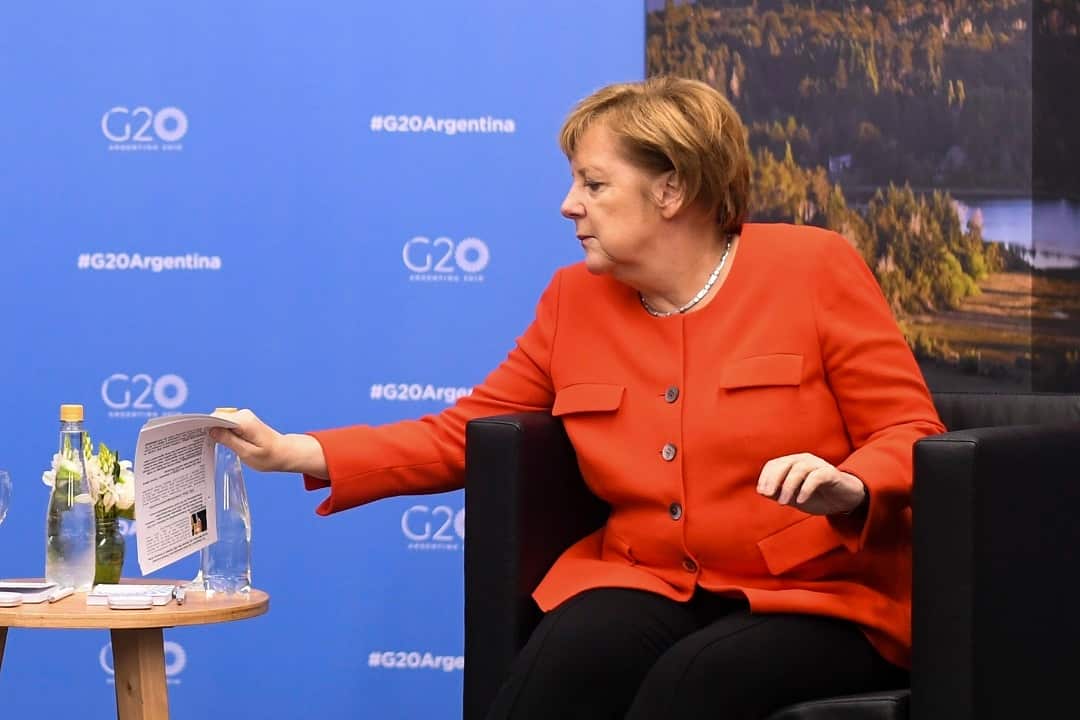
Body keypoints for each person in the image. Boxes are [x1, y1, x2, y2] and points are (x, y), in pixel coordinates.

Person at [211, 76, 945, 719]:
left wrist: (852, 486)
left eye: (594, 185)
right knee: (562, 657)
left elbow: (911, 429)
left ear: (672, 189)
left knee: (696, 681)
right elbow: (461, 433)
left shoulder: (813, 269)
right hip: (647, 576)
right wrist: (292, 452)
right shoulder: (573, 301)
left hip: (818, 594)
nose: (569, 206)